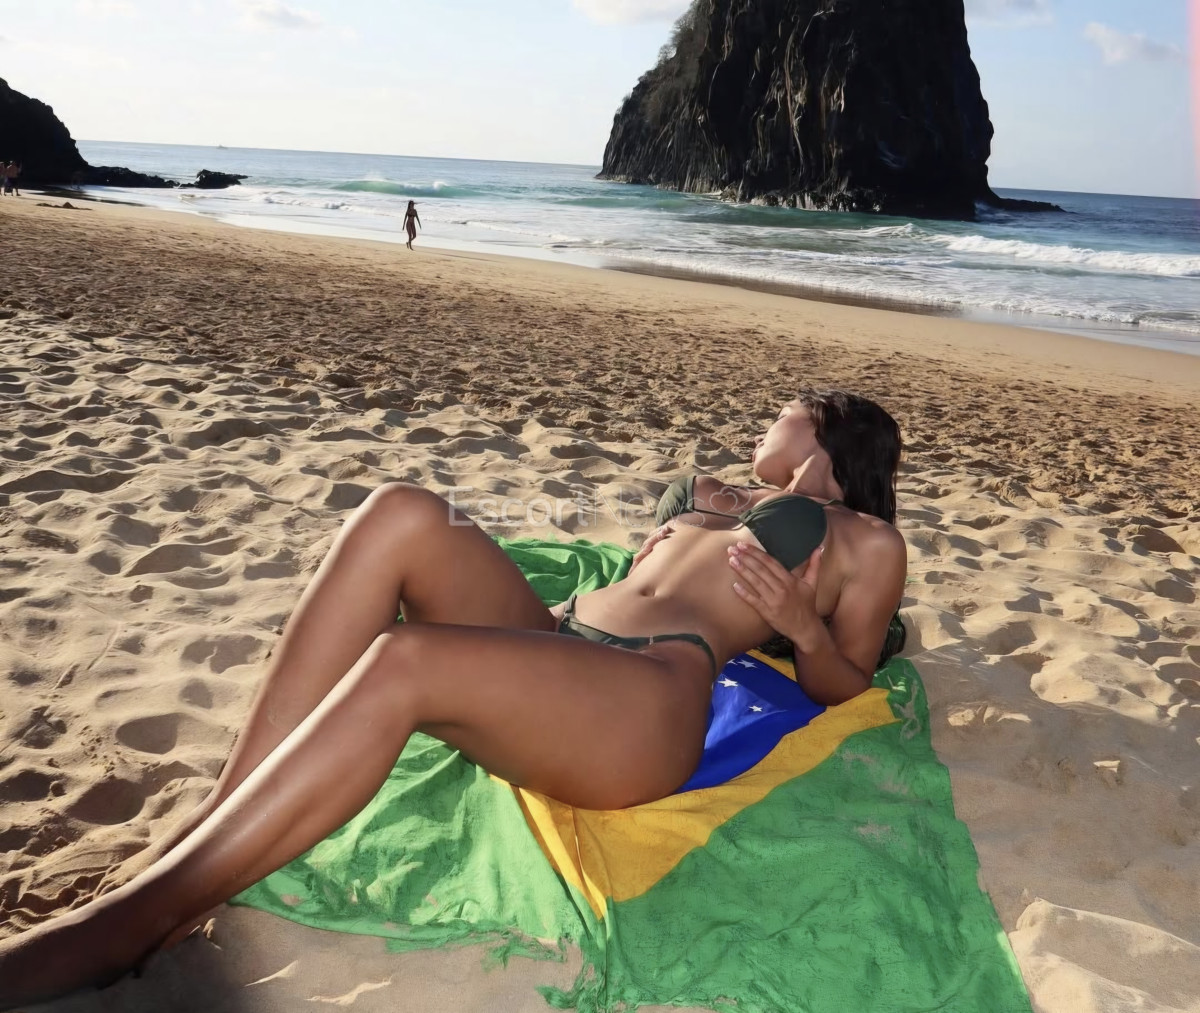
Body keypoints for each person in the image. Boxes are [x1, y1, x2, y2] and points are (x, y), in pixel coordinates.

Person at [0, 389, 907, 1008]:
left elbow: (847, 680)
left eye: (781, 411)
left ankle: (132, 924)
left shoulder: (866, 541)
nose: (764, 421)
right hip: (557, 642)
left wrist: (804, 626)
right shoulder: (719, 490)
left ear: (822, 428)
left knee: (406, 658)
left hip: (646, 697)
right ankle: (215, 817)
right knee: (401, 511)